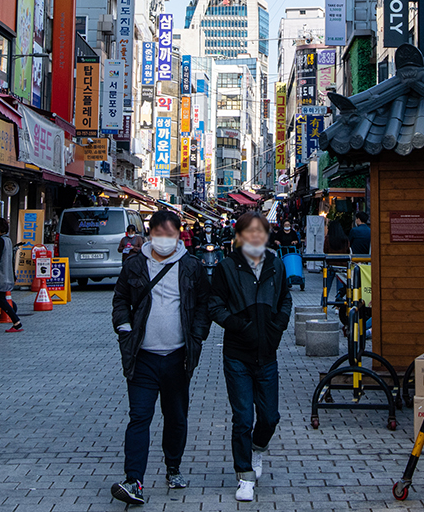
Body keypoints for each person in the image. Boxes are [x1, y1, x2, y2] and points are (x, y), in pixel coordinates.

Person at [110, 209, 211, 505]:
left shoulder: (191, 266)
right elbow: (120, 299)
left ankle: (173, 466)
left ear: (179, 235)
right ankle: (134, 480)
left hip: (178, 356)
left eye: (170, 234)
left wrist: (197, 335)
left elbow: (204, 304)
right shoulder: (134, 265)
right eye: (159, 234)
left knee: (176, 416)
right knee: (139, 416)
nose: (164, 240)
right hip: (142, 356)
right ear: (150, 233)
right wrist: (124, 327)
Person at [209, 213, 291, 502]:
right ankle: (244, 475)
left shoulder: (276, 265)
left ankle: (258, 448)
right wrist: (239, 326)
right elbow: (214, 305)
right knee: (243, 417)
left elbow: (285, 299)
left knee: (270, 417)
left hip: (267, 354)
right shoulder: (226, 267)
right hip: (237, 355)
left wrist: (277, 327)